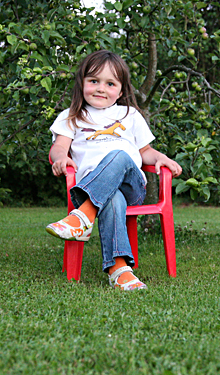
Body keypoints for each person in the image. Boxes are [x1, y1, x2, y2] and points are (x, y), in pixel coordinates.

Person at [46, 50, 182, 291]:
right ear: (82, 83)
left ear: (120, 91)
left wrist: (161, 158)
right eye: (94, 81)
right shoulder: (71, 117)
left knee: (118, 156)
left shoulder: (129, 115)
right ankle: (119, 270)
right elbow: (58, 148)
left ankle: (82, 216)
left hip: (132, 185)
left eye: (110, 83)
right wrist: (60, 159)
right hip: (96, 187)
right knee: (112, 198)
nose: (100, 88)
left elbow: (145, 151)